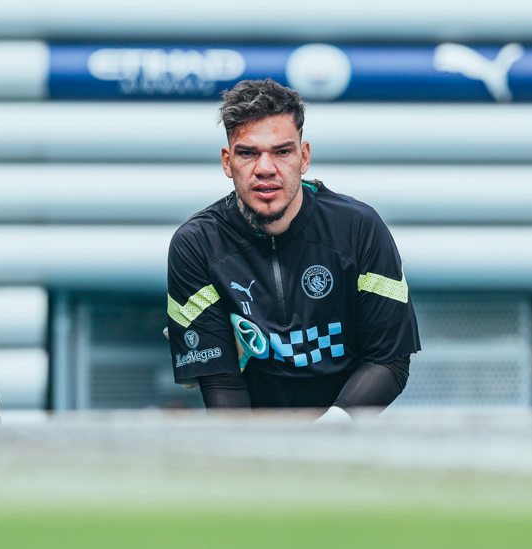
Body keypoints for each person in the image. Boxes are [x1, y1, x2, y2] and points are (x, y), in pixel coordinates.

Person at [166, 79, 420, 421]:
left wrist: (327, 434)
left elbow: (389, 360)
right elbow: (221, 383)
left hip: (344, 433)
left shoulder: (359, 228)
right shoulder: (195, 245)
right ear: (227, 162)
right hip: (253, 446)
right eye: (248, 153)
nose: (266, 168)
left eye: (282, 151)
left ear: (304, 157)